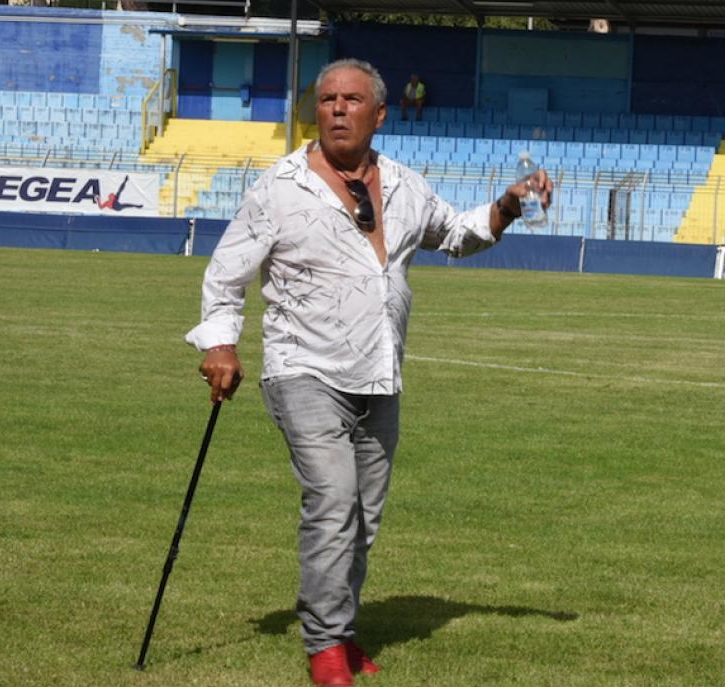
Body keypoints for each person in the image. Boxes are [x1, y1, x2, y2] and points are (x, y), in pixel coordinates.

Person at [185, 58, 552, 686]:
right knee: (332, 500)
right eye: (326, 98)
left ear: (379, 114)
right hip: (304, 367)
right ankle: (326, 646)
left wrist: (510, 204)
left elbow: (458, 234)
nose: (335, 108)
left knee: (365, 516)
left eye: (351, 99)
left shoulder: (406, 185)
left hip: (380, 373)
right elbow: (226, 274)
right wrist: (220, 344)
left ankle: (342, 628)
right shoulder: (278, 186)